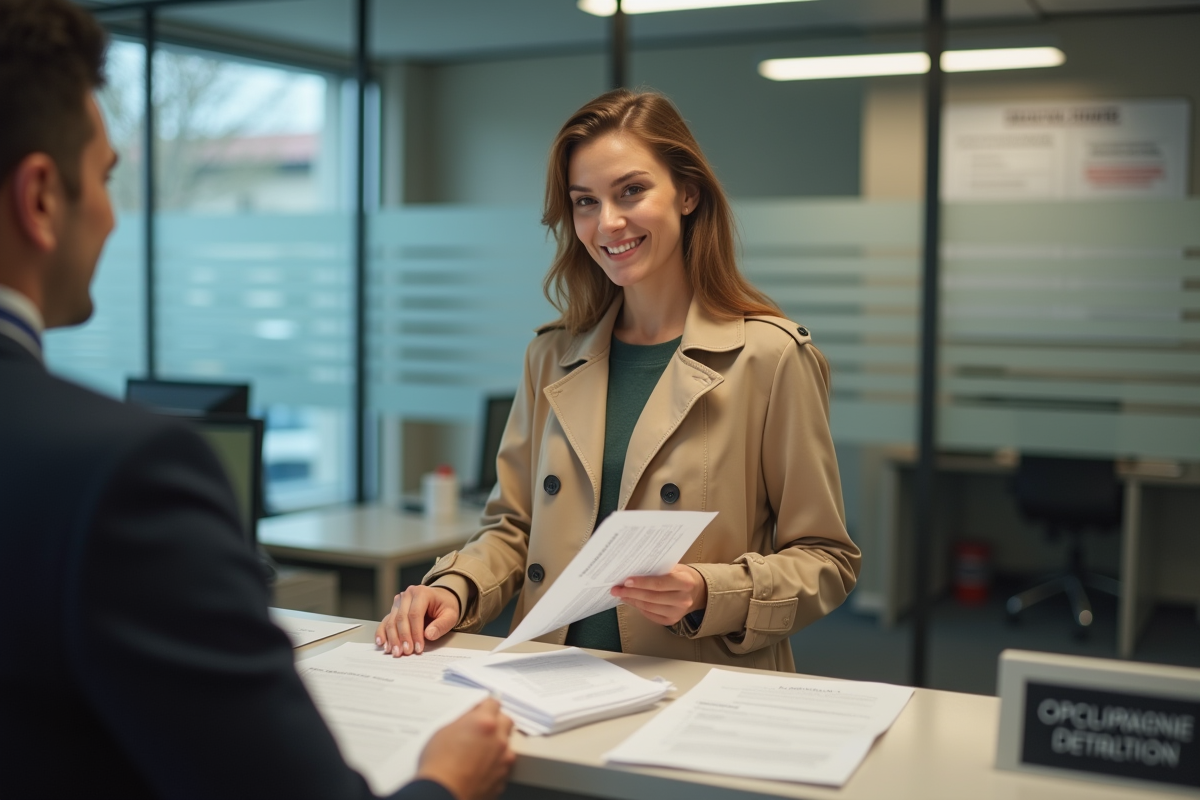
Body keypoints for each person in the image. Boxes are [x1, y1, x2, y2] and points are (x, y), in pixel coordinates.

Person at [0, 1, 514, 798]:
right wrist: (446, 781)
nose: (111, 213)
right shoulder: (120, 475)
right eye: (104, 178)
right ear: (39, 198)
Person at [377, 89, 861, 673]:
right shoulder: (550, 355)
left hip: (692, 685)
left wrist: (711, 592)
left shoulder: (772, 357)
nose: (607, 222)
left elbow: (826, 558)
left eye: (631, 190)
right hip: (549, 678)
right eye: (585, 201)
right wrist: (454, 587)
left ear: (688, 193)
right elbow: (513, 528)